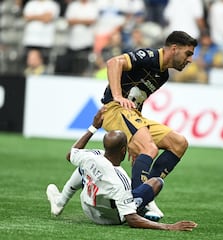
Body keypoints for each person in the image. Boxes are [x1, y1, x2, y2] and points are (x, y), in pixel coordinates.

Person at [46, 107, 198, 231]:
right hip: (111, 219)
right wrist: (169, 227)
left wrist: (93, 127)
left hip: (88, 208)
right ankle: (141, 206)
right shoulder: (121, 181)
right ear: (124, 150)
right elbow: (132, 220)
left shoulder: (92, 156)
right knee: (157, 182)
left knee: (83, 168)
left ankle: (60, 202)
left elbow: (71, 154)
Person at [100, 31, 198, 218]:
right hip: (114, 109)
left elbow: (138, 98)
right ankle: (134, 205)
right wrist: (118, 96)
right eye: (188, 53)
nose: (190, 60)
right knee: (149, 148)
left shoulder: (163, 76)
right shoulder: (149, 56)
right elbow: (113, 62)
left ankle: (142, 196)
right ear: (174, 49)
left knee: (179, 143)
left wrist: (137, 134)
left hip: (132, 114)